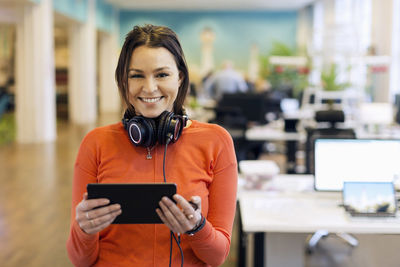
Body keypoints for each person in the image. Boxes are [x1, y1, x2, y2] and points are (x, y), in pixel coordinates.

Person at [66, 24, 238, 267]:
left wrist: (197, 228)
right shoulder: (96, 143)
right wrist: (83, 229)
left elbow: (217, 256)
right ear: (124, 81)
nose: (149, 88)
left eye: (161, 74)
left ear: (180, 77)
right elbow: (80, 260)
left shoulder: (216, 141)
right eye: (137, 75)